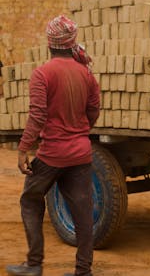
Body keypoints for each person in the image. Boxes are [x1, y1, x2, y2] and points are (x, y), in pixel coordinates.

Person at [6, 15, 100, 276]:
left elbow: (37, 115)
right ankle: (84, 271)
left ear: (50, 43)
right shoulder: (86, 74)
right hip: (81, 154)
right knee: (82, 214)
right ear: (71, 43)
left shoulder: (42, 73)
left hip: (51, 155)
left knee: (30, 200)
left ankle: (34, 264)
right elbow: (93, 111)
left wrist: (24, 148)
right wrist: (79, 132)